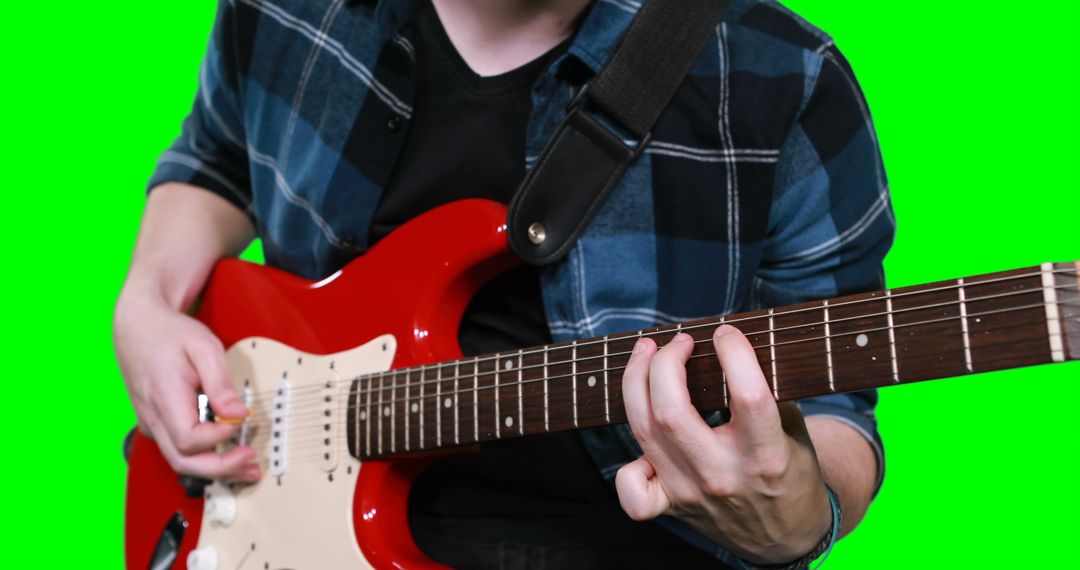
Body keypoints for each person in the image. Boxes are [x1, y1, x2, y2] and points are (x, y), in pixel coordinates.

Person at [114, 0, 893, 567]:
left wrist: (793, 518)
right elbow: (217, 159)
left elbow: (838, 412)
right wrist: (146, 301)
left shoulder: (784, 78)